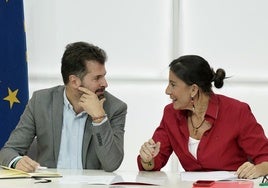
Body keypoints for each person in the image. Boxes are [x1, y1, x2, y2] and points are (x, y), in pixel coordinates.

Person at [0, 41, 127, 172]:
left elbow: (112, 164)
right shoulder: (41, 102)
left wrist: (99, 119)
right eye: (97, 78)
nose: (105, 83)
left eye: (104, 76)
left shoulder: (115, 108)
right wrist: (17, 162)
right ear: (74, 81)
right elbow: (9, 151)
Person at [137, 55, 268, 179]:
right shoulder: (170, 113)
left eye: (173, 85)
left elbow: (265, 158)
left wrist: (257, 169)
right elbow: (155, 160)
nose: (167, 91)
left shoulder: (237, 111)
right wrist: (147, 159)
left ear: (194, 89)